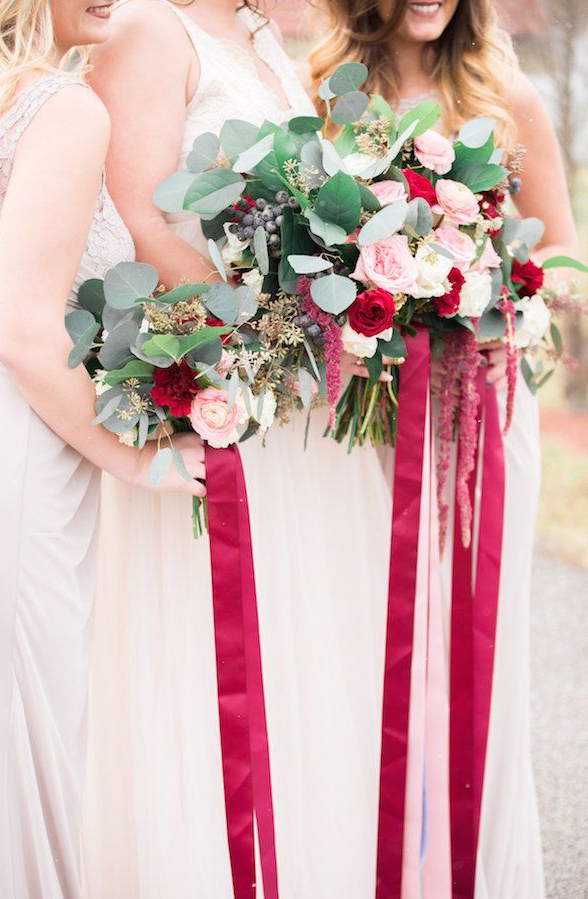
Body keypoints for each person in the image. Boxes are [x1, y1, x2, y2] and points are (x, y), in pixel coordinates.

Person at [81, 2, 398, 897]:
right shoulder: (150, 30)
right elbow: (136, 224)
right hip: (228, 397)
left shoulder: (262, 39)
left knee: (313, 673)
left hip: (295, 415)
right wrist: (268, 319)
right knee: (218, 677)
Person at [310, 1, 578, 897]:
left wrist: (511, 300)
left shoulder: (507, 96)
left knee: (468, 646)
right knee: (362, 634)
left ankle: (468, 867)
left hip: (479, 413)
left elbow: (566, 257)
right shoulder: (321, 92)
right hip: (363, 419)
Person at [0, 0, 203, 894]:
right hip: (19, 448)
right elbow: (28, 334)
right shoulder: (63, 108)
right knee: (23, 733)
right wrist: (146, 460)